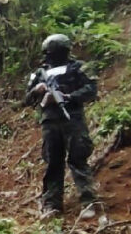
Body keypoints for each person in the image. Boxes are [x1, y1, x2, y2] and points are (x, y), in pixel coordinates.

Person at [25, 34, 98, 219]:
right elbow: (26, 99)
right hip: (50, 122)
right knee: (53, 163)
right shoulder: (40, 73)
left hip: (72, 118)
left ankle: (88, 202)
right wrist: (37, 90)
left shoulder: (78, 67)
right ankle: (52, 205)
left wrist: (67, 97)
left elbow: (91, 89)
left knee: (78, 159)